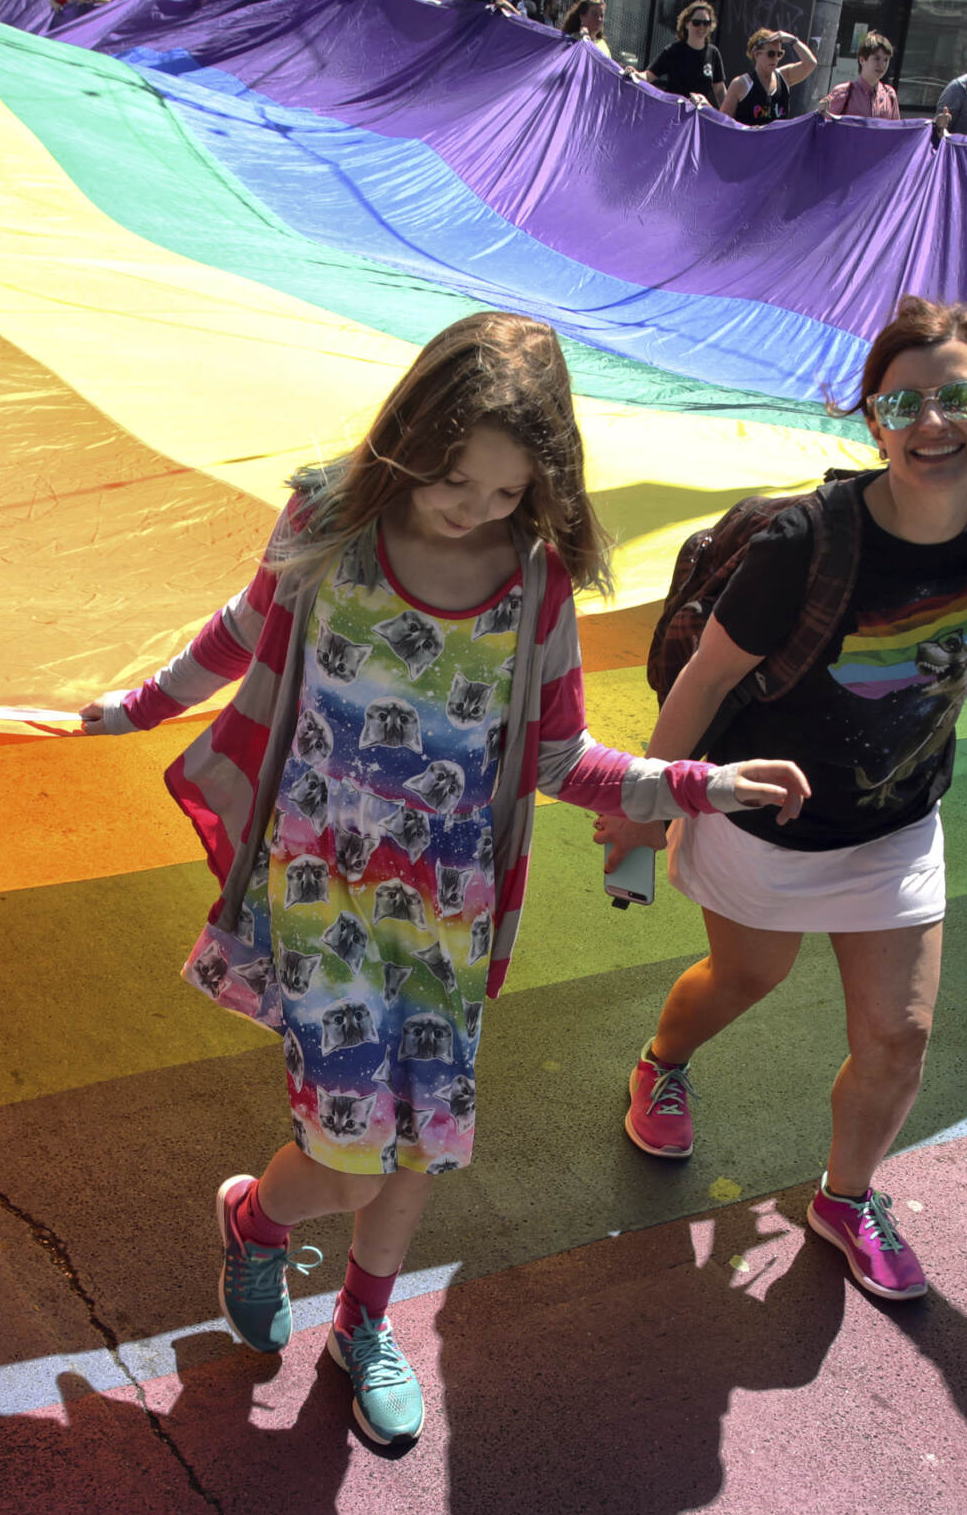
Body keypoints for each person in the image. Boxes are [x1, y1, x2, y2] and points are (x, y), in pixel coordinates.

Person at [80, 315, 805, 1443]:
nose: (471, 508)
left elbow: (561, 760)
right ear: (408, 438)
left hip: (450, 908)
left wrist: (697, 784)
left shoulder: (534, 579)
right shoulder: (332, 517)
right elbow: (243, 627)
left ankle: (364, 1322)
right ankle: (261, 1220)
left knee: (418, 1136)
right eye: (453, 477)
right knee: (351, 1156)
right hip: (321, 888)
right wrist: (132, 708)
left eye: (506, 493)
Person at [595, 298, 967, 1303]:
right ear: (869, 421)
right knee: (745, 980)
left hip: (899, 823)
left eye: (957, 396)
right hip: (766, 826)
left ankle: (845, 1195)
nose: (932, 423)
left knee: (899, 1035)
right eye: (901, 402)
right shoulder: (805, 544)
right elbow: (702, 681)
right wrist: (648, 806)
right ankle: (660, 1062)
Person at [727, 28, 818, 127]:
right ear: (757, 54)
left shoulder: (784, 76)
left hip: (776, 141)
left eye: (779, 54)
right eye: (771, 54)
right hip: (749, 141)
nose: (775, 59)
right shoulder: (741, 84)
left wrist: (793, 40)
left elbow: (810, 63)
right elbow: (723, 121)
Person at [647, 2, 728, 111]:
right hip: (674, 115)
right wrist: (634, 74)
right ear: (686, 24)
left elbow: (720, 92)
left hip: (699, 118)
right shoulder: (674, 51)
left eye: (706, 23)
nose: (701, 27)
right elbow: (648, 76)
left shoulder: (713, 53)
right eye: (696, 23)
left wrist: (725, 118)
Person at [822, 31, 900, 120]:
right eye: (876, 58)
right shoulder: (844, 92)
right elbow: (825, 126)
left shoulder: (889, 95)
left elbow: (896, 131)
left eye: (886, 60)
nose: (882, 65)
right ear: (862, 60)